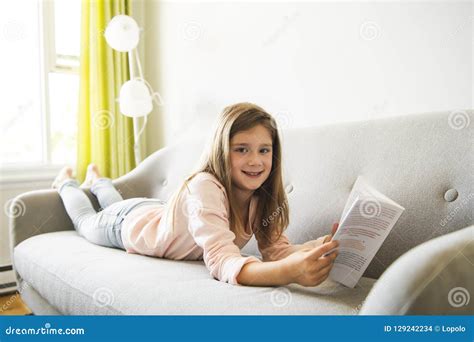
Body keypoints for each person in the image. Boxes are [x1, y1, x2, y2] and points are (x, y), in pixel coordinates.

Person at [52, 102, 339, 287]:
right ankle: (68, 182)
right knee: (86, 219)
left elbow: (276, 251)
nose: (256, 161)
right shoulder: (205, 185)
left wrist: (313, 249)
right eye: (242, 149)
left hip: (155, 211)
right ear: (220, 150)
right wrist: (290, 272)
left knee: (113, 201)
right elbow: (222, 261)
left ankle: (99, 180)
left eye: (264, 150)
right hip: (125, 224)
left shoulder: (263, 195)